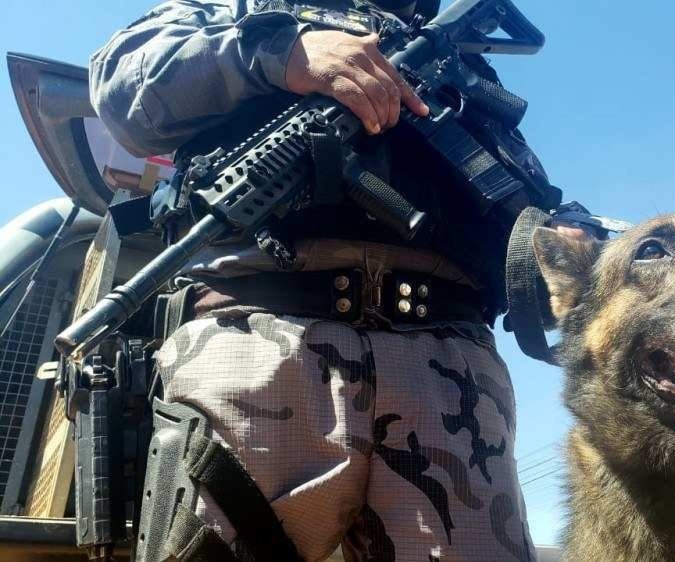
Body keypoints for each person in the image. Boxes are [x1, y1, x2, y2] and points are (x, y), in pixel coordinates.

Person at [90, 1, 552, 560]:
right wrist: (281, 51)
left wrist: (550, 239)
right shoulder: (239, 10)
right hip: (259, 339)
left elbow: (515, 188)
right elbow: (120, 87)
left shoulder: (463, 60)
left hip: (451, 362)